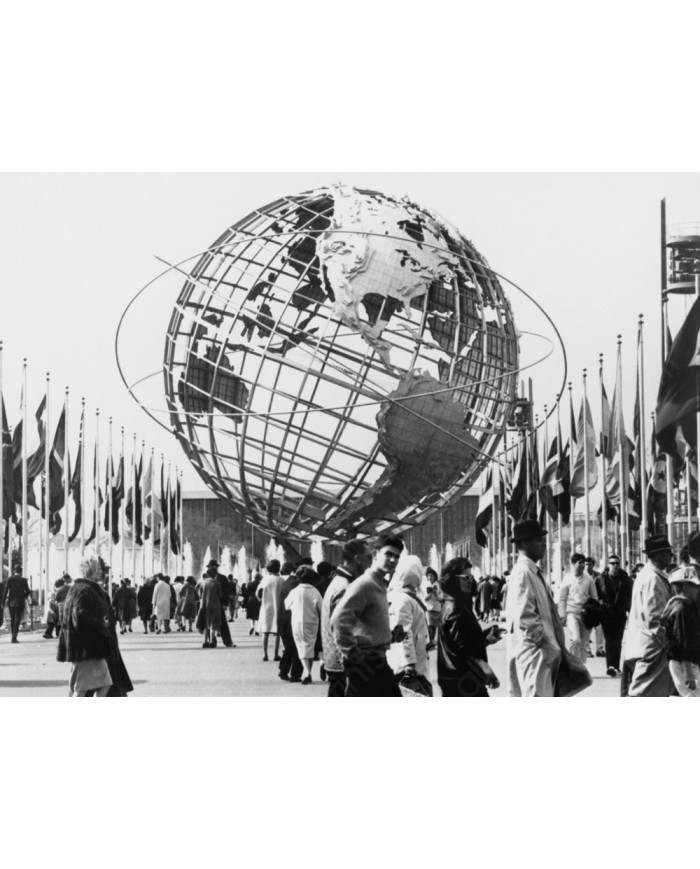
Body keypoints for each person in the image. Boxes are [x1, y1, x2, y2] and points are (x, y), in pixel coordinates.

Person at [330, 533, 405, 697]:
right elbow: (338, 620)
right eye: (388, 554)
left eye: (397, 556)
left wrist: (391, 636)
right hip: (367, 664)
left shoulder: (378, 583)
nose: (393, 560)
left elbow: (367, 626)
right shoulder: (365, 584)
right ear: (375, 554)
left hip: (376, 661)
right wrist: (352, 653)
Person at [57, 555, 133, 696]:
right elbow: (80, 617)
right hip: (90, 649)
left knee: (93, 686)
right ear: (91, 570)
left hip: (86, 649)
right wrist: (101, 625)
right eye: (98, 569)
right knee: (85, 688)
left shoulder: (79, 588)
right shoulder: (86, 590)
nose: (101, 572)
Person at [505, 519, 566, 697]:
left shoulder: (531, 571)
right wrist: (542, 642)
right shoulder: (523, 573)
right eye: (539, 540)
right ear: (525, 543)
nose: (543, 544)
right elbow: (525, 616)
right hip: (535, 653)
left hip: (540, 652)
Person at [437, 557, 502, 696]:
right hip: (463, 682)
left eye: (471, 577)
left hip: (456, 679)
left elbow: (462, 640)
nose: (470, 581)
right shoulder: (456, 609)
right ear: (452, 579)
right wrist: (486, 668)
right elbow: (464, 650)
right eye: (466, 577)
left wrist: (485, 635)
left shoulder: (451, 603)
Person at [621, 534, 673, 697]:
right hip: (653, 648)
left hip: (644, 644)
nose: (670, 556)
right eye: (667, 553)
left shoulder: (647, 575)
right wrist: (669, 643)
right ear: (658, 555)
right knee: (644, 694)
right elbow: (655, 619)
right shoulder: (653, 580)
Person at [320, 540, 372, 696]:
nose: (371, 562)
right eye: (369, 557)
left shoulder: (339, 582)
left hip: (337, 661)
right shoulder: (345, 587)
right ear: (358, 559)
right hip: (344, 664)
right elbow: (342, 629)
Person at [387, 556, 431, 692]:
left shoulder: (403, 595)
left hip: (413, 657)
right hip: (408, 665)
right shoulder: (404, 599)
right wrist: (409, 662)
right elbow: (403, 632)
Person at [662, 551, 700, 697]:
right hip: (684, 664)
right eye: (694, 586)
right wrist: (688, 672)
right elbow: (683, 642)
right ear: (685, 587)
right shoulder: (681, 609)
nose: (698, 590)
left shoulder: (684, 606)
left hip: (686, 662)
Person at [284, 566, 323, 684]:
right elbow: (321, 608)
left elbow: (286, 605)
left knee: (300, 646)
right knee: (310, 646)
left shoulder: (294, 591)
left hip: (297, 622)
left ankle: (307, 672)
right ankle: (308, 672)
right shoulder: (315, 591)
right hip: (312, 622)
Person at [596, 553, 633, 677]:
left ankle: (616, 666)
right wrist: (601, 604)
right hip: (606, 614)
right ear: (608, 565)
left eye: (617, 563)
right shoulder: (600, 579)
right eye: (612, 563)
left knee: (618, 641)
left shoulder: (626, 580)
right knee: (609, 640)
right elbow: (596, 595)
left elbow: (630, 595)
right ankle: (610, 666)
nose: (615, 566)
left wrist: (628, 608)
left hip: (620, 614)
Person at [558, 553, 598, 663]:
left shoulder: (589, 579)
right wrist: (562, 615)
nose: (582, 565)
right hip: (572, 614)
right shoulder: (567, 579)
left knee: (584, 643)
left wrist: (592, 611)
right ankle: (574, 665)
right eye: (580, 563)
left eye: (583, 563)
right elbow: (562, 599)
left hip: (586, 615)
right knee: (576, 639)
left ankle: (582, 666)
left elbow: (594, 597)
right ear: (573, 564)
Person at [257, 560, 284, 661]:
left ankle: (265, 654)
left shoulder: (265, 579)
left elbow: (258, 593)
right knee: (277, 633)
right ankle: (276, 654)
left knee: (265, 632)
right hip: (278, 608)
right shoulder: (281, 580)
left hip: (266, 607)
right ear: (278, 568)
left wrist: (261, 599)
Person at [2, 566, 32, 643]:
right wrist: (23, 595)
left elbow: (5, 591)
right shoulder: (24, 580)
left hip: (11, 602)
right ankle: (14, 637)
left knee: (12, 619)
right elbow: (28, 591)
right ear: (21, 572)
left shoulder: (10, 579)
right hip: (20, 602)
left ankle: (13, 635)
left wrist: (2, 602)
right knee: (17, 619)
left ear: (14, 571)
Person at [196, 570, 225, 648]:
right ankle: (212, 642)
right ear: (215, 575)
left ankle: (205, 642)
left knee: (205, 624)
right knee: (213, 624)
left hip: (204, 605)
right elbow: (220, 595)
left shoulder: (203, 583)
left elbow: (199, 595)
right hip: (215, 605)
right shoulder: (217, 583)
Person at [424, 584, 442, 650]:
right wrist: (431, 594)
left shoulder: (438, 592)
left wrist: (435, 595)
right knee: (431, 626)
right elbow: (425, 599)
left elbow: (441, 599)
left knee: (436, 627)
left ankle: (435, 642)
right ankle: (431, 641)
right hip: (430, 611)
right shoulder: (427, 592)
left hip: (437, 611)